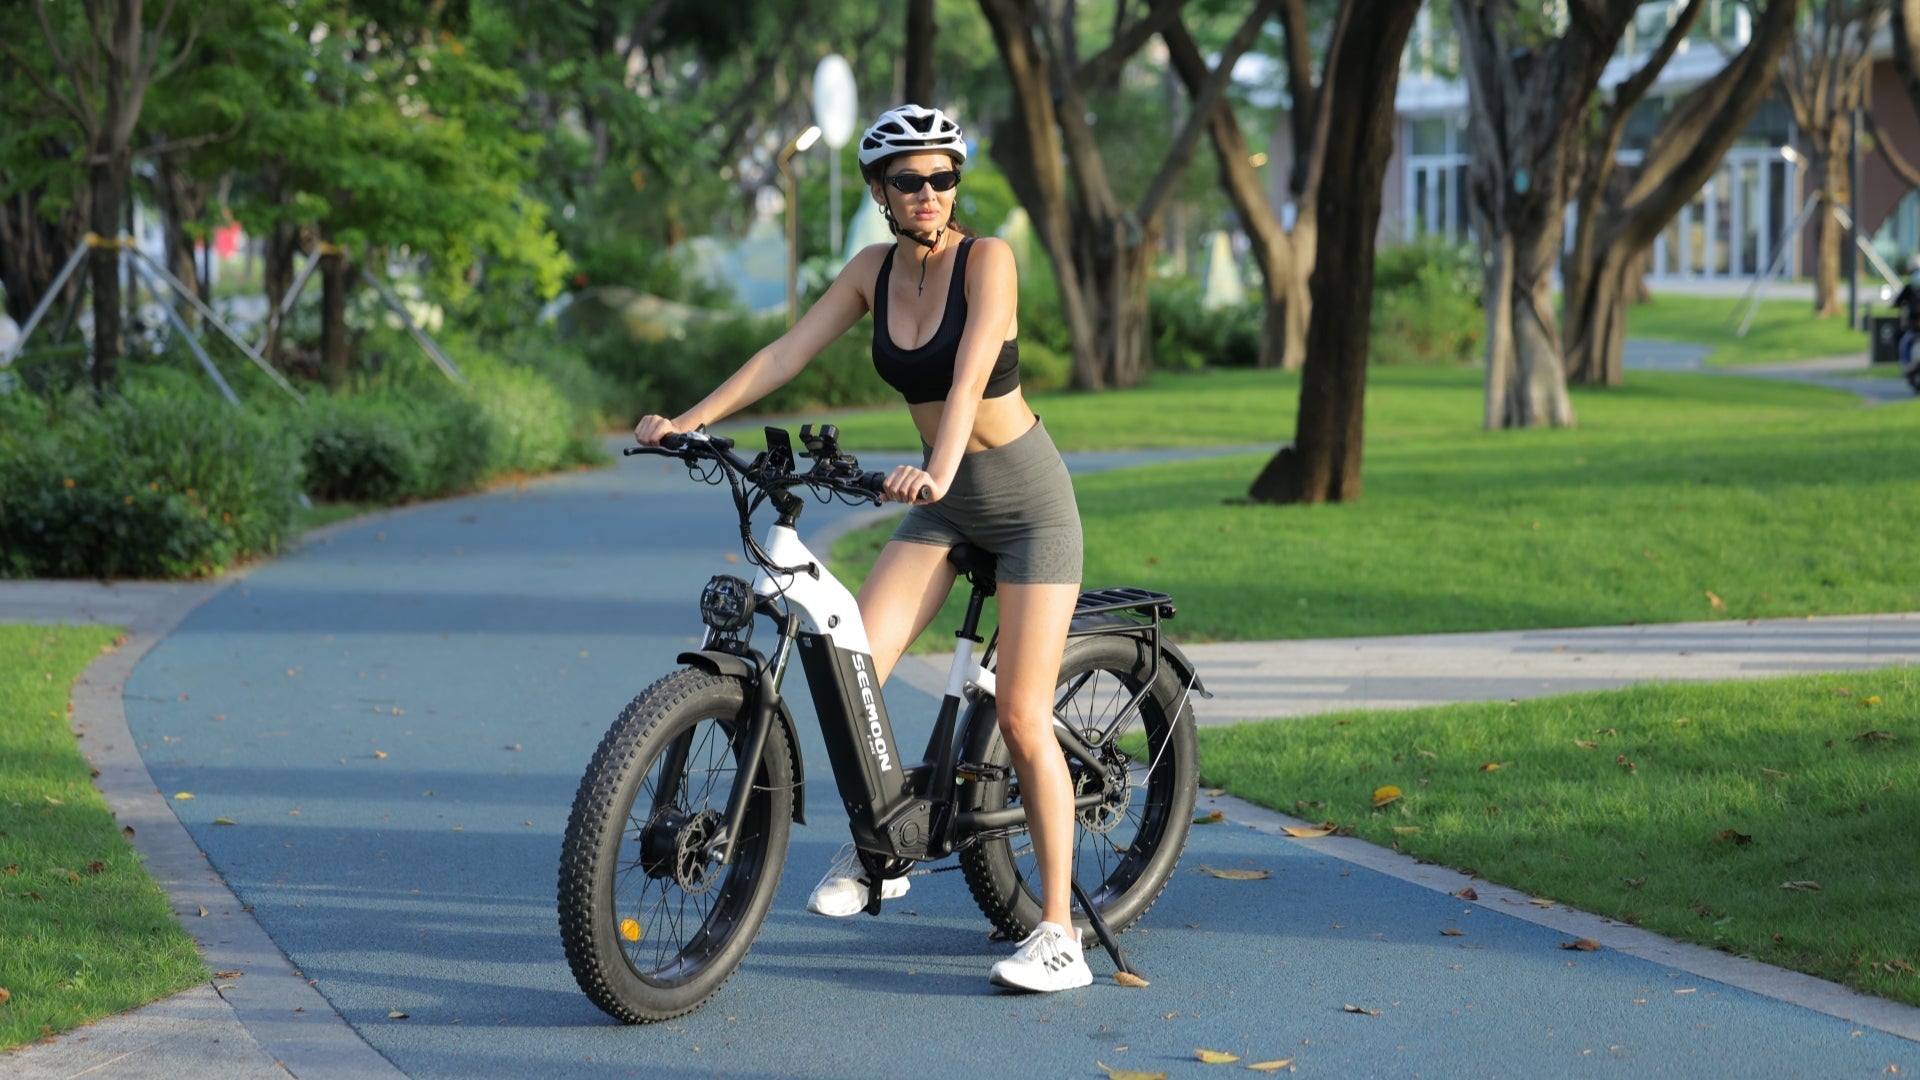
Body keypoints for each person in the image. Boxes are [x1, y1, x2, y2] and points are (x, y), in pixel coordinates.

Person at [632, 104, 1092, 993]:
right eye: (909, 181)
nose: (929, 194)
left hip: (1028, 508)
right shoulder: (871, 272)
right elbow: (784, 354)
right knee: (854, 672)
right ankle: (886, 845)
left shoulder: (988, 261)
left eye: (943, 177)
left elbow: (969, 379)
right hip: (944, 508)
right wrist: (688, 421)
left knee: (1023, 717)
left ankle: (1059, 934)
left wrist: (938, 469)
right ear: (880, 190)